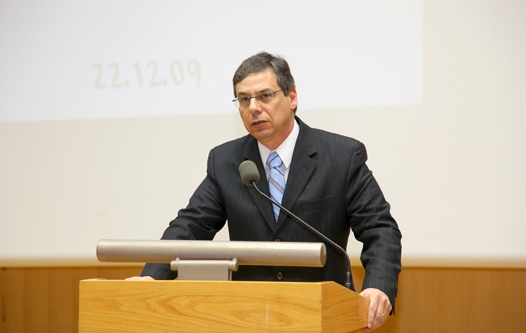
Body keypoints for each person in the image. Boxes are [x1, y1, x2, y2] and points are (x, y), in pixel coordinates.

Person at [128, 52, 402, 332]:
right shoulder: (226, 161)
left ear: (292, 97)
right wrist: (152, 278)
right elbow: (190, 226)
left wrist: (378, 287)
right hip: (249, 317)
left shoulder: (341, 156)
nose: (254, 108)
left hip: (321, 316)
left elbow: (380, 229)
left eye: (265, 96)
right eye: (244, 99)